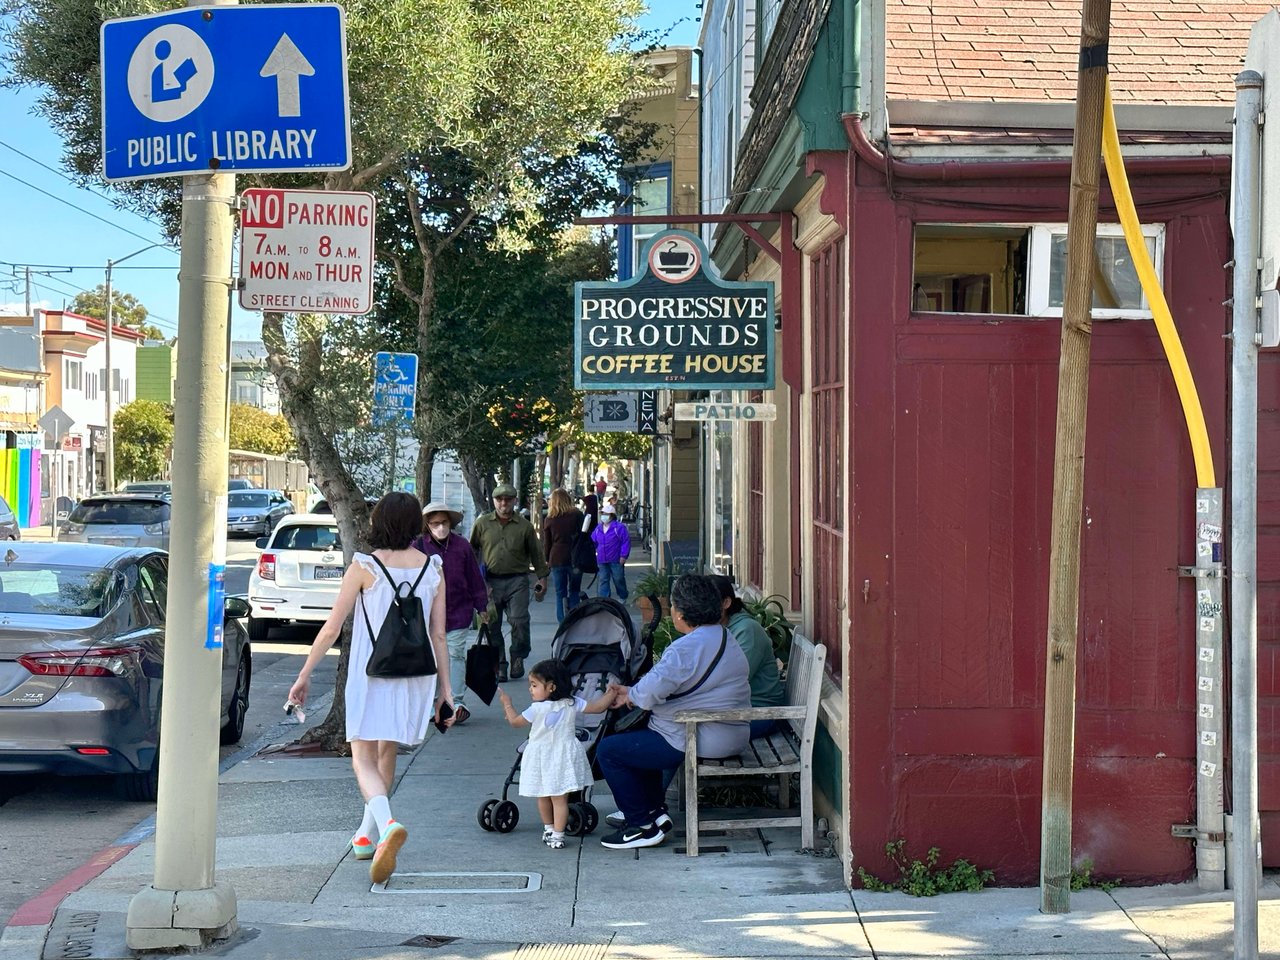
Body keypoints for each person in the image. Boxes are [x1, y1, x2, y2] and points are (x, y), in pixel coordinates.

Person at [287, 491, 451, 884]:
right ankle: (367, 836)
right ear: (416, 525)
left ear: (378, 522)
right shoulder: (434, 567)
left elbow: (332, 628)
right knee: (386, 751)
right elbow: (440, 634)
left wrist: (305, 673)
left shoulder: (364, 566)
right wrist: (447, 691)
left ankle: (388, 823)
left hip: (370, 672)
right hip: (416, 674)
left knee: (361, 754)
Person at [594, 574, 751, 849]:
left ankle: (640, 825)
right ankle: (654, 812)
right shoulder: (722, 635)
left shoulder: (685, 648)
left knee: (610, 751)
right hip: (728, 730)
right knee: (642, 739)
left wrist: (630, 694)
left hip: (702, 735)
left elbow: (652, 691)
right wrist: (633, 693)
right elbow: (660, 686)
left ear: (680, 613)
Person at [496, 659, 614, 848]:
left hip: (542, 757)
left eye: (534, 685)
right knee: (560, 799)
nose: (530, 690)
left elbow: (515, 722)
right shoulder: (572, 703)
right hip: (562, 756)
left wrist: (507, 704)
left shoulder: (537, 709)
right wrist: (611, 693)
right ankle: (556, 834)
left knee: (543, 795)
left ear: (551, 687)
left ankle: (550, 829)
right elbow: (598, 707)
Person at [412, 501, 489, 725]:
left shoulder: (462, 546)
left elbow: (474, 578)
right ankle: (433, 703)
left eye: (444, 522)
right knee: (431, 659)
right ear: (427, 525)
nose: (441, 527)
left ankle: (455, 702)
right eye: (435, 523)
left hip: (458, 611)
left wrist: (481, 606)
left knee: (455, 655)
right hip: (426, 614)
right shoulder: (417, 547)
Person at [470, 482, 550, 681]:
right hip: (490, 583)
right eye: (499, 499)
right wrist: (474, 581)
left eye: (508, 499)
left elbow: (536, 554)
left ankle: (517, 656)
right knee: (492, 625)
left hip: (517, 581)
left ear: (514, 501)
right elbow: (471, 552)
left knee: (519, 621)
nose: (503, 503)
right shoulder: (482, 524)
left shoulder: (524, 526)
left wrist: (542, 578)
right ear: (494, 501)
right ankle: (501, 663)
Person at [713, 575, 786, 738]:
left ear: (726, 603)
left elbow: (734, 680)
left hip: (758, 712)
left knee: (686, 732)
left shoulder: (746, 630)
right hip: (735, 708)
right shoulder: (716, 628)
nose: (702, 608)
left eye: (709, 602)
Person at [541, 488, 586, 623]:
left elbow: (547, 544)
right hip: (575, 558)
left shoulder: (549, 519)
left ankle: (562, 621)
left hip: (557, 558)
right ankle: (574, 619)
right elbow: (584, 535)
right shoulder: (577, 515)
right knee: (575, 590)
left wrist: (547, 560)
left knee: (560, 593)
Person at [591, 502, 630, 600]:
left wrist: (623, 556)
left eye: (606, 514)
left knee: (618, 579)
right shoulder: (598, 528)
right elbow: (593, 541)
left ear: (612, 516)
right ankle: (604, 599)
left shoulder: (619, 528)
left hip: (616, 559)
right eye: (603, 513)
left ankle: (623, 595)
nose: (603, 516)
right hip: (602, 559)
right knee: (603, 580)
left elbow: (625, 542)